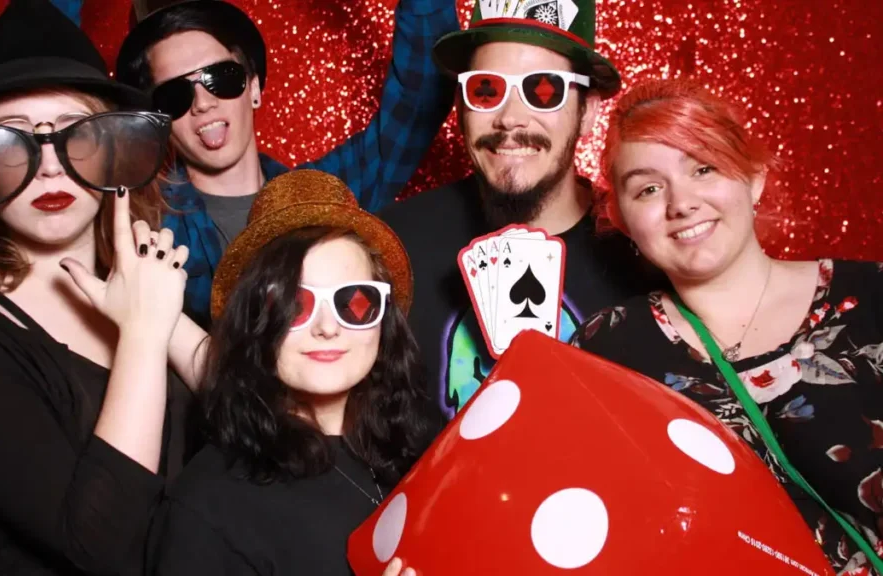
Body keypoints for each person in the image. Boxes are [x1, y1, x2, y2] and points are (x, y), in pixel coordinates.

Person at [0, 1, 204, 574]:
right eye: (11, 140)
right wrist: (144, 334)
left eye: (76, 135)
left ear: (114, 149)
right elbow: (100, 545)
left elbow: (263, 415)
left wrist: (162, 315)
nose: (49, 167)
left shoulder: (141, 290)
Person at [571, 78, 883, 575]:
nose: (682, 203)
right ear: (621, 218)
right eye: (649, 188)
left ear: (753, 176)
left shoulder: (871, 298)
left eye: (704, 168)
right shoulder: (607, 348)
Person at [145, 170, 442, 576]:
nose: (327, 327)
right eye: (294, 304)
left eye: (355, 302)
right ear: (254, 323)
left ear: (383, 320)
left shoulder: (425, 450)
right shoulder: (210, 505)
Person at [378, 0, 664, 417]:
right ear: (460, 107)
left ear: (587, 113)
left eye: (543, 90)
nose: (510, 118)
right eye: (485, 90)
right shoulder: (394, 244)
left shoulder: (646, 252)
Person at [114, 0, 459, 328]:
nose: (203, 103)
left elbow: (418, 101)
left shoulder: (323, 198)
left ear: (254, 87)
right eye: (174, 95)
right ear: (159, 121)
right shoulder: (145, 226)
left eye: (220, 78)